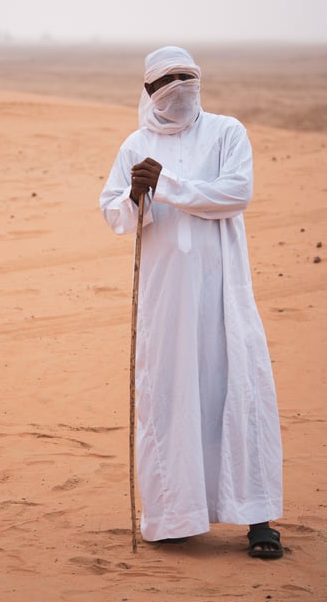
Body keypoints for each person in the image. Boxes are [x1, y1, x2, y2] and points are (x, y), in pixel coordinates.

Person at [100, 46, 283, 559]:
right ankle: (176, 516)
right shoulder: (134, 145)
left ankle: (257, 518)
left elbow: (235, 193)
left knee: (236, 388)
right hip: (166, 300)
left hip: (224, 288)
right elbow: (113, 214)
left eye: (188, 76)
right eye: (167, 79)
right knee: (170, 396)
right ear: (148, 90)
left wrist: (168, 185)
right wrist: (135, 198)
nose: (179, 86)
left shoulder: (227, 132)